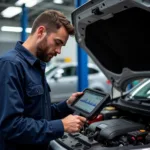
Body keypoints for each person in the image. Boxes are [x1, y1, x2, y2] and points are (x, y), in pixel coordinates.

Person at [0, 10, 86, 150]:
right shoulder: (10, 65)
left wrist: (66, 105)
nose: (59, 51)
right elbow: (11, 126)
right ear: (41, 32)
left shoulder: (36, 66)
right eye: (57, 42)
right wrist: (61, 125)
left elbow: (38, 115)